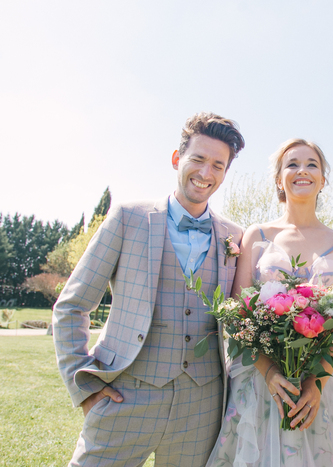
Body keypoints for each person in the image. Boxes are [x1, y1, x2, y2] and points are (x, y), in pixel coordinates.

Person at [53, 112, 245, 466]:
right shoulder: (128, 217)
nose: (206, 173)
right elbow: (72, 305)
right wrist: (83, 387)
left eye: (218, 165)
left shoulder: (235, 236)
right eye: (198, 159)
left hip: (201, 406)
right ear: (177, 159)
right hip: (126, 395)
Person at [206, 139, 333, 467]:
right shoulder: (256, 235)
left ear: (323, 179)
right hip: (262, 386)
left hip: (325, 388)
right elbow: (236, 317)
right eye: (291, 164)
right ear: (279, 179)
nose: (301, 170)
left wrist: (315, 383)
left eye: (311, 164)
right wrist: (270, 371)